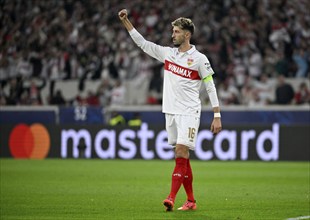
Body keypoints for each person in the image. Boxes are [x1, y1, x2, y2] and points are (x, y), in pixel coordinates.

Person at [118, 9, 222, 211]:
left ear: (187, 34)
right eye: (172, 31)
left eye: (176, 32)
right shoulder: (168, 54)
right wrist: (126, 22)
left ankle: (171, 197)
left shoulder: (199, 59)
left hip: (190, 112)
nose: (172, 35)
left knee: (181, 151)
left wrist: (217, 115)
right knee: (182, 157)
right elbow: (143, 44)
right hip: (171, 112)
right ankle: (191, 201)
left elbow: (210, 86)